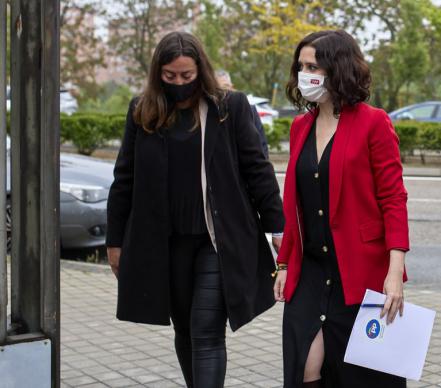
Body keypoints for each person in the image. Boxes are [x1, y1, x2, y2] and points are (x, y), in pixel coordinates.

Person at [106, 31, 284, 388]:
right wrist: (115, 242)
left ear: (200, 71)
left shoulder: (228, 108)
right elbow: (124, 179)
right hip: (165, 243)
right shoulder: (143, 110)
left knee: (206, 332)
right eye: (170, 77)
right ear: (159, 73)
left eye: (186, 76)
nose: (178, 83)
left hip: (216, 242)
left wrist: (278, 228)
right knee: (185, 330)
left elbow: (257, 168)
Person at [273, 30, 409, 388]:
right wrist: (285, 261)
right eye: (300, 66)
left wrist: (395, 272)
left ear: (338, 69)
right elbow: (295, 202)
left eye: (313, 66)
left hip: (361, 273)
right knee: (305, 367)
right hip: (311, 273)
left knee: (363, 377)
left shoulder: (374, 122)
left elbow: (394, 199)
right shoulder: (300, 126)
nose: (304, 74)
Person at [215, 69, 270, 157]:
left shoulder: (250, 110)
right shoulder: (211, 114)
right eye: (219, 88)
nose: (224, 92)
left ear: (232, 87)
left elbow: (261, 144)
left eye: (226, 87)